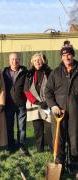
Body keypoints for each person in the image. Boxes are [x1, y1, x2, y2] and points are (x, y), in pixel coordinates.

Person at [45, 41, 78, 174]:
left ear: (73, 55)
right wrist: (53, 106)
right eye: (64, 55)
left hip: (75, 112)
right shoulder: (55, 73)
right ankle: (59, 167)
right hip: (58, 113)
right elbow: (48, 92)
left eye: (69, 54)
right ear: (61, 57)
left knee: (75, 139)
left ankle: (74, 165)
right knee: (58, 139)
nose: (67, 57)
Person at [24, 53, 53, 153]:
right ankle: (40, 150)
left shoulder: (50, 72)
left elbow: (54, 88)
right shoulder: (29, 74)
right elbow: (26, 90)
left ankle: (52, 149)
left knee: (49, 129)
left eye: (39, 60)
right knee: (38, 129)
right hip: (35, 105)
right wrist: (37, 102)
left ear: (43, 61)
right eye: (35, 60)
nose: (37, 62)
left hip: (48, 104)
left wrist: (47, 101)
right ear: (32, 63)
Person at [3, 52, 29, 155]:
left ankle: (21, 145)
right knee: (9, 126)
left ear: (19, 60)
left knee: (21, 127)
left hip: (21, 103)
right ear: (9, 61)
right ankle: (11, 145)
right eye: (12, 59)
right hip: (8, 103)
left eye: (17, 59)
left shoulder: (25, 72)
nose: (15, 61)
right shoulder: (4, 73)